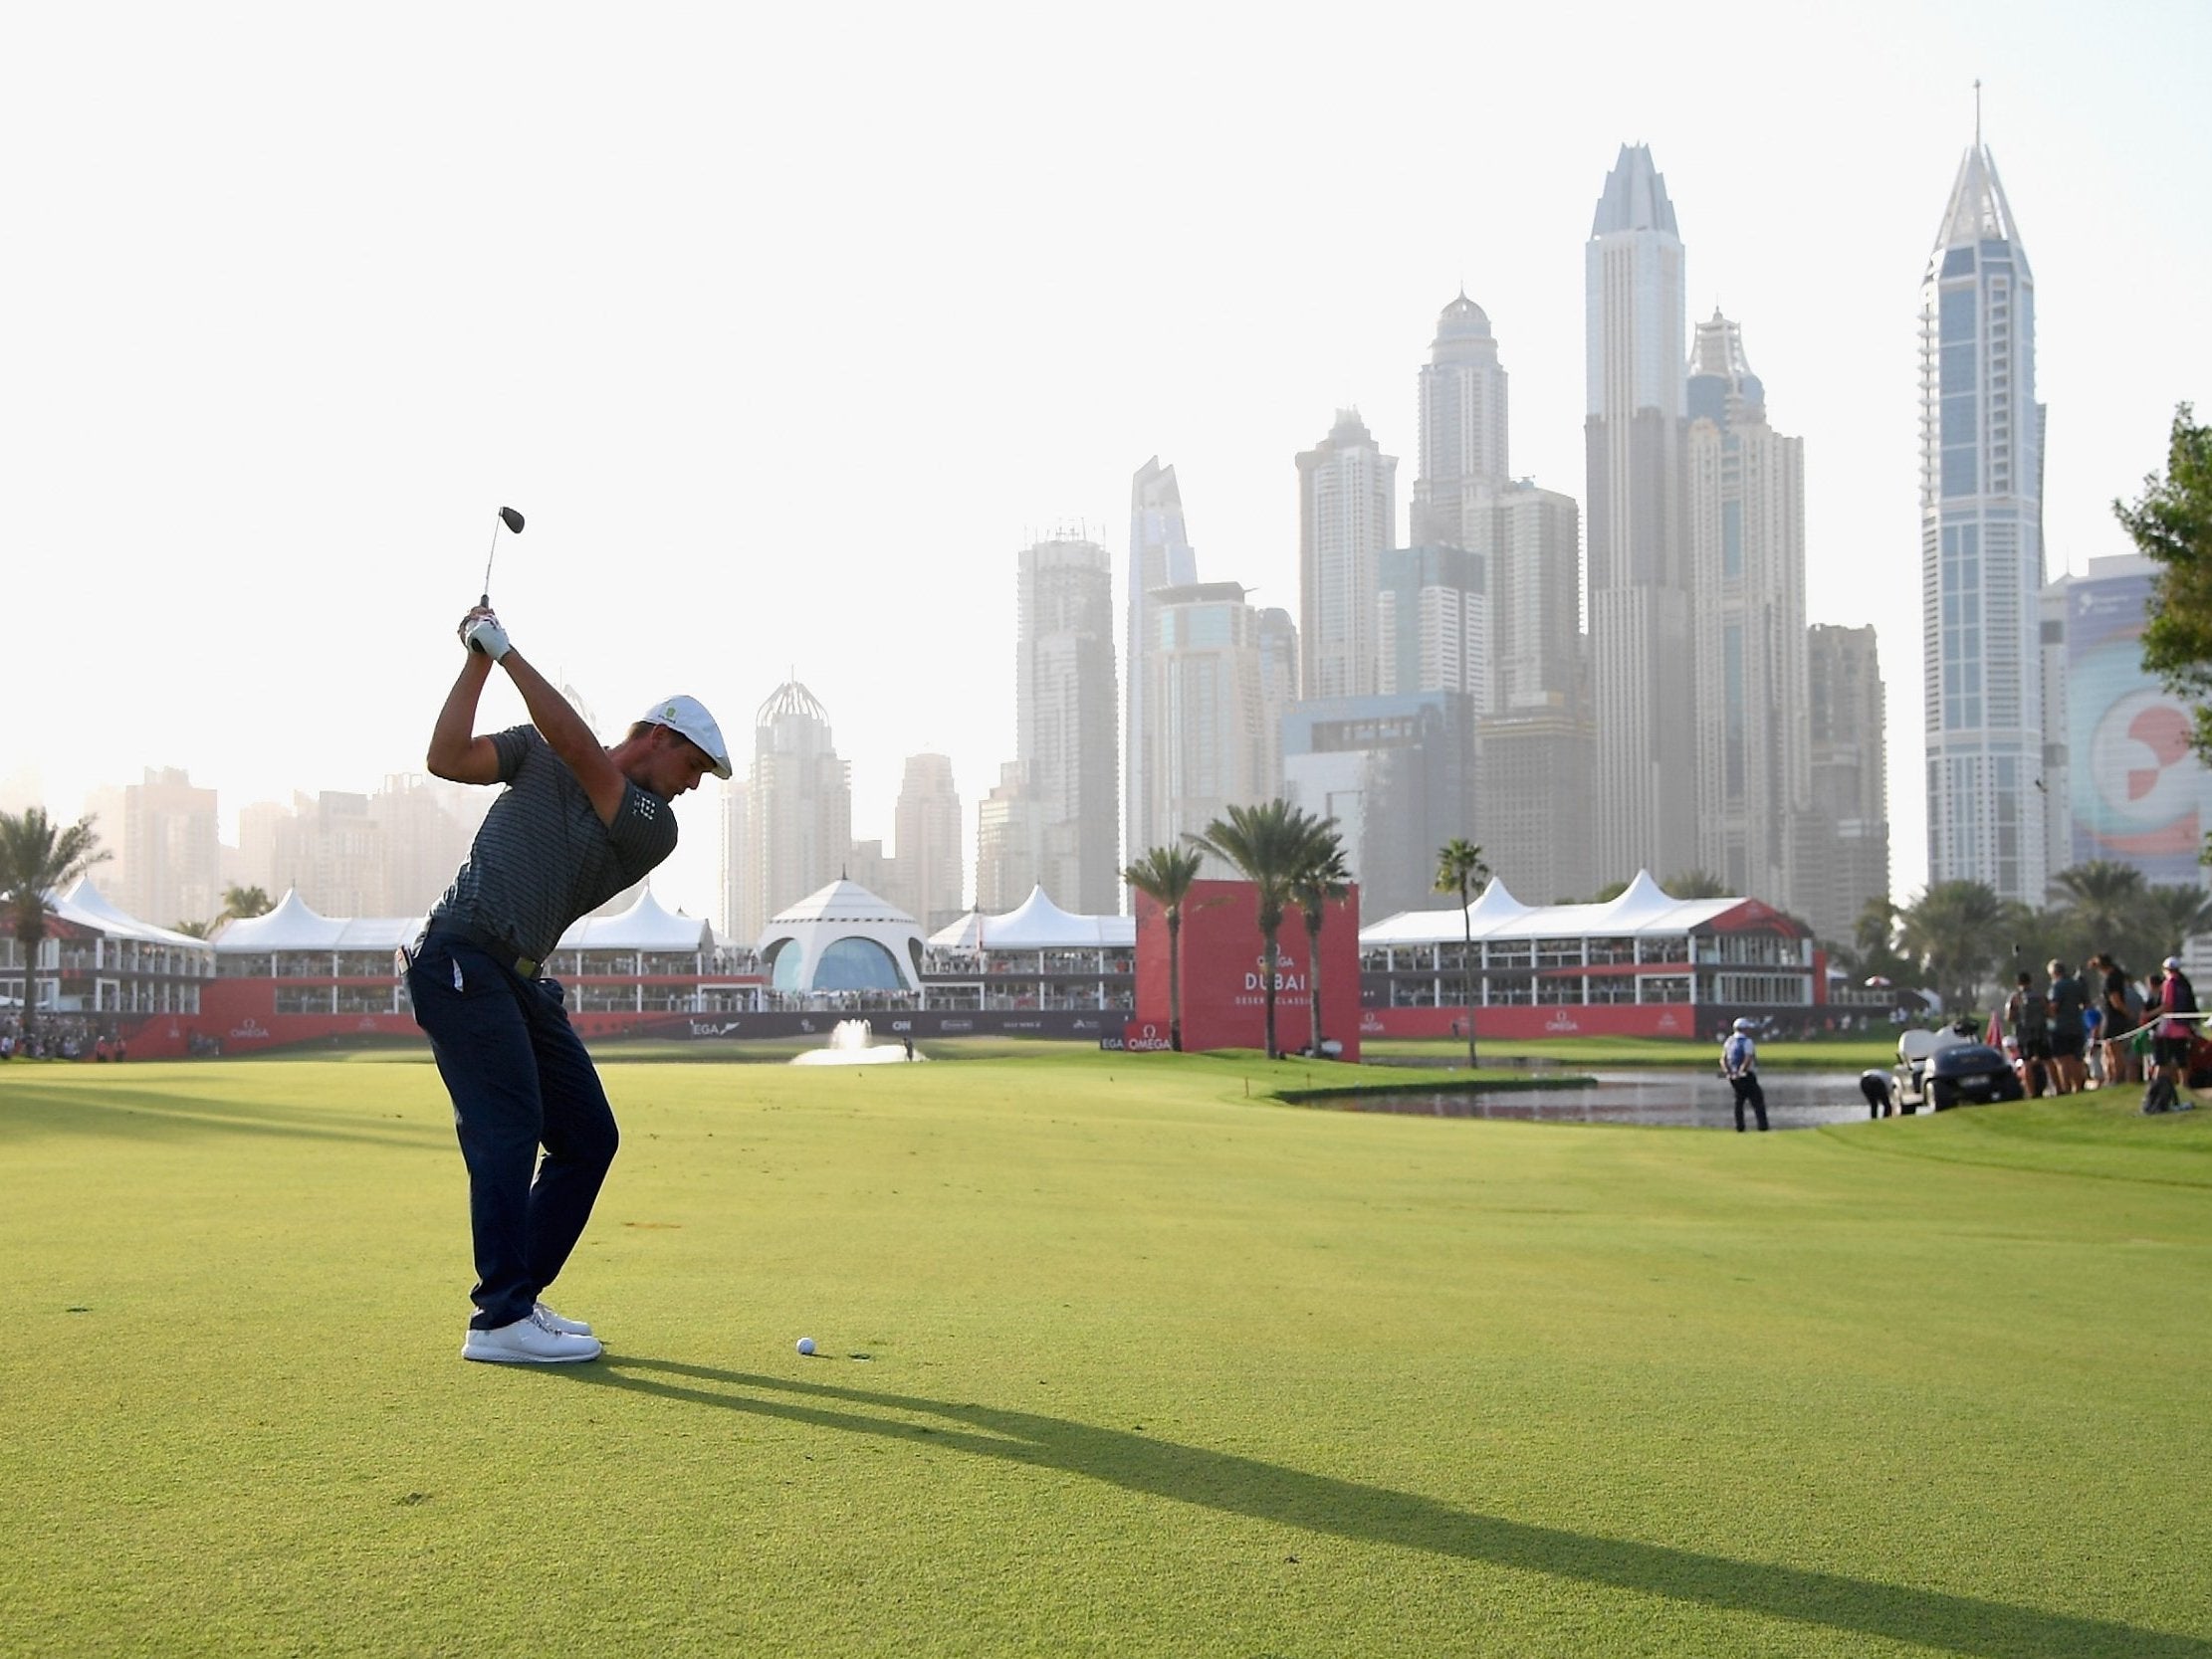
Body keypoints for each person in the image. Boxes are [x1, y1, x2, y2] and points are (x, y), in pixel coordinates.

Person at [407, 602, 731, 1365]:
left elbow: (583, 752)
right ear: (661, 736)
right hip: (459, 955)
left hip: (519, 978)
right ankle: (499, 1320)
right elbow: (446, 757)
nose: (692, 786)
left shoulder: (654, 823)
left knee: (588, 1137)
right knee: (510, 1126)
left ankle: (518, 1299)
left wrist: (508, 651)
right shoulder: (535, 753)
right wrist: (479, 661)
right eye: (692, 767)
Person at [2147, 954, 2200, 1116]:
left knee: (2163, 1059)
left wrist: (2149, 1014)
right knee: (2181, 1058)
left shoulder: (2169, 983)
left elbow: (2167, 1006)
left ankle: (2159, 1086)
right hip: (2182, 1027)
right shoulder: (2184, 984)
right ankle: (2184, 1086)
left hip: (2170, 1028)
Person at [2003, 971, 2051, 1098]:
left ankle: (2032, 1092)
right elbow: (2049, 1012)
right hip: (2041, 1032)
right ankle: (2059, 1087)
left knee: (2027, 1063)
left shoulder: (2014, 998)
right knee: (2048, 1061)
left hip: (2024, 1035)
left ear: (2018, 983)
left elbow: (2009, 1017)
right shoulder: (2040, 996)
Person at [2045, 959, 2089, 1095]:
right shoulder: (2076, 984)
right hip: (2077, 1025)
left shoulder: (2057, 987)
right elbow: (2086, 1003)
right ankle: (2079, 1087)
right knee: (2077, 1059)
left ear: (2054, 973)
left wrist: (2045, 1011)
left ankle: (2066, 1088)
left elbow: (2054, 1007)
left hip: (2060, 1026)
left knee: (2062, 1060)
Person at [1721, 1016, 1769, 1133]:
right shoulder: (1748, 1042)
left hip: (1733, 1077)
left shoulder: (1729, 1041)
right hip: (1746, 1076)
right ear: (1744, 1029)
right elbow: (1747, 1059)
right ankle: (1762, 1127)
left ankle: (1740, 1127)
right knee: (1757, 1101)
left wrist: (1728, 1072)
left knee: (1739, 1102)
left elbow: (1723, 1059)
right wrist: (1741, 1071)